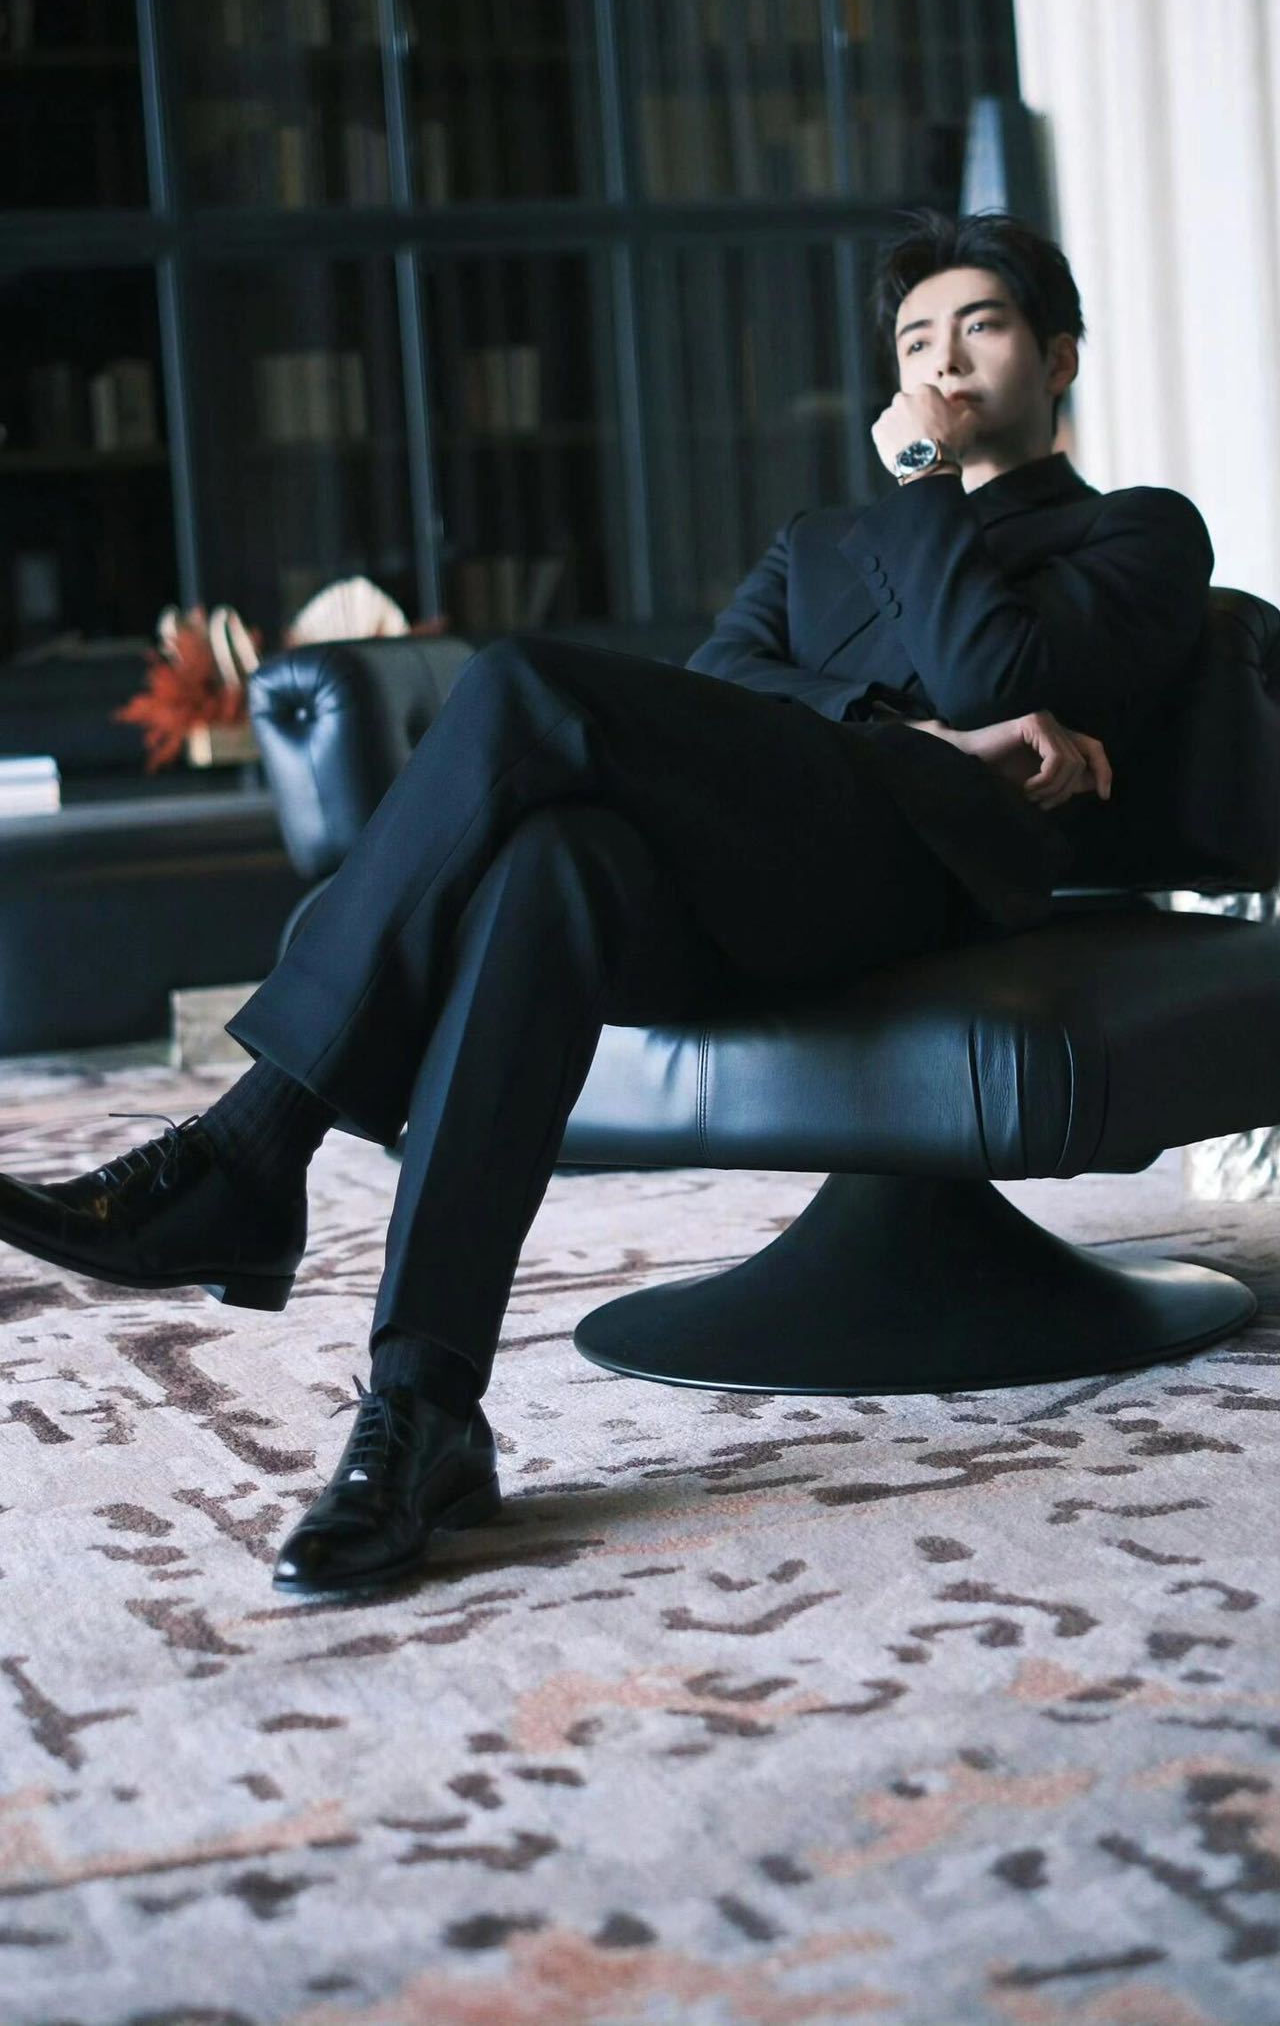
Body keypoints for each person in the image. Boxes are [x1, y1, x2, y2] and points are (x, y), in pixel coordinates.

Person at [0, 207, 1214, 1603]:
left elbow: (1003, 671)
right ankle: (423, 1408)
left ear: (1057, 359)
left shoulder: (1135, 534)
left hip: (926, 891)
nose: (940, 361)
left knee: (521, 683)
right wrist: (925, 739)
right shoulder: (820, 545)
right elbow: (717, 696)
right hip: (757, 875)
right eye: (913, 340)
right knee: (553, 867)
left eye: (979, 328)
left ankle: (252, 1149)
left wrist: (925, 482)